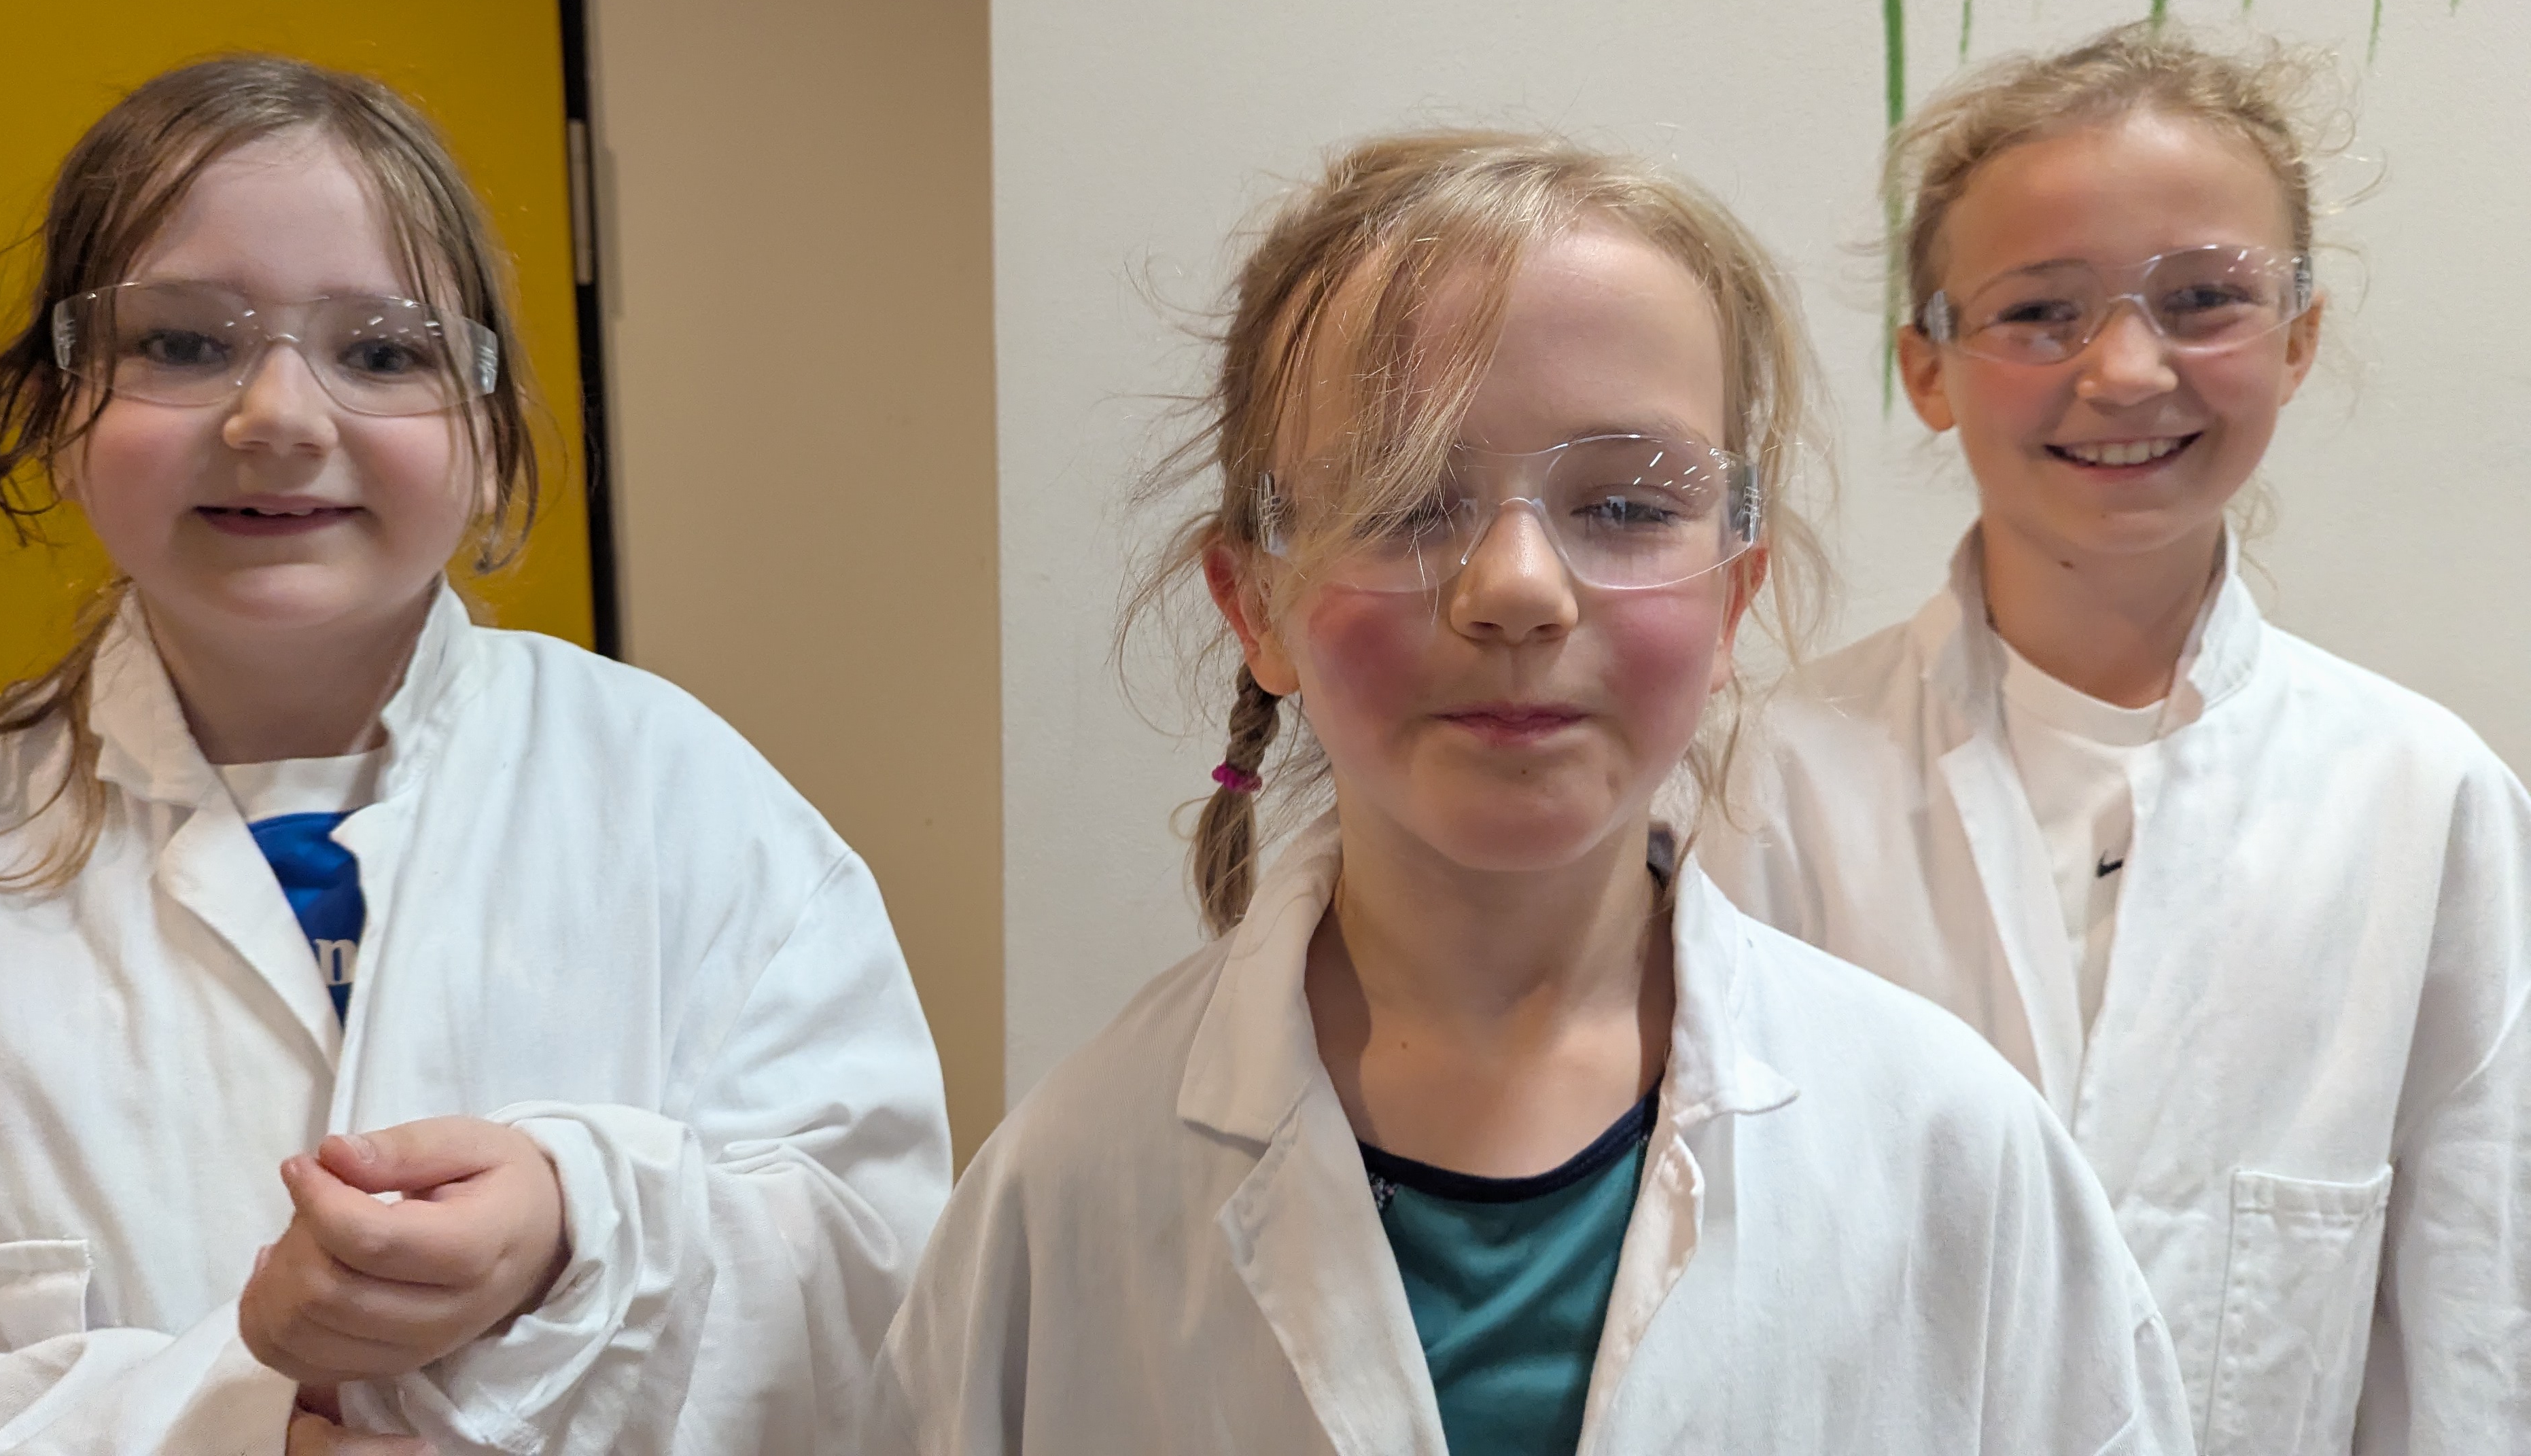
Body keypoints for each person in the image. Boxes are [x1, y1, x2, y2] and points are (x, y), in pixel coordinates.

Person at [868, 129, 2192, 1453]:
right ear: (1255, 601)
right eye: (1404, 502)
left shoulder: (1957, 1156)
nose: (1514, 588)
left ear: (1733, 601)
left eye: (1625, 506)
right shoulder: (1065, 1196)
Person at [0, 55, 951, 1456]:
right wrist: (229, 1426)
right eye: (181, 343)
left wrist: (579, 1224)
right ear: (54, 415)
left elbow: (887, 1292)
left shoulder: (688, 805)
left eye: (386, 353)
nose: (278, 417)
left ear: (489, 437)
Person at [1707, 22, 2531, 1455]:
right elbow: (1720, 1285)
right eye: (2041, 312)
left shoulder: (2426, 798)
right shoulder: (1769, 780)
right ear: (1928, 368)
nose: (2131, 370)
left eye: (2206, 298)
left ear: (2300, 337)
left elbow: (2467, 1331)